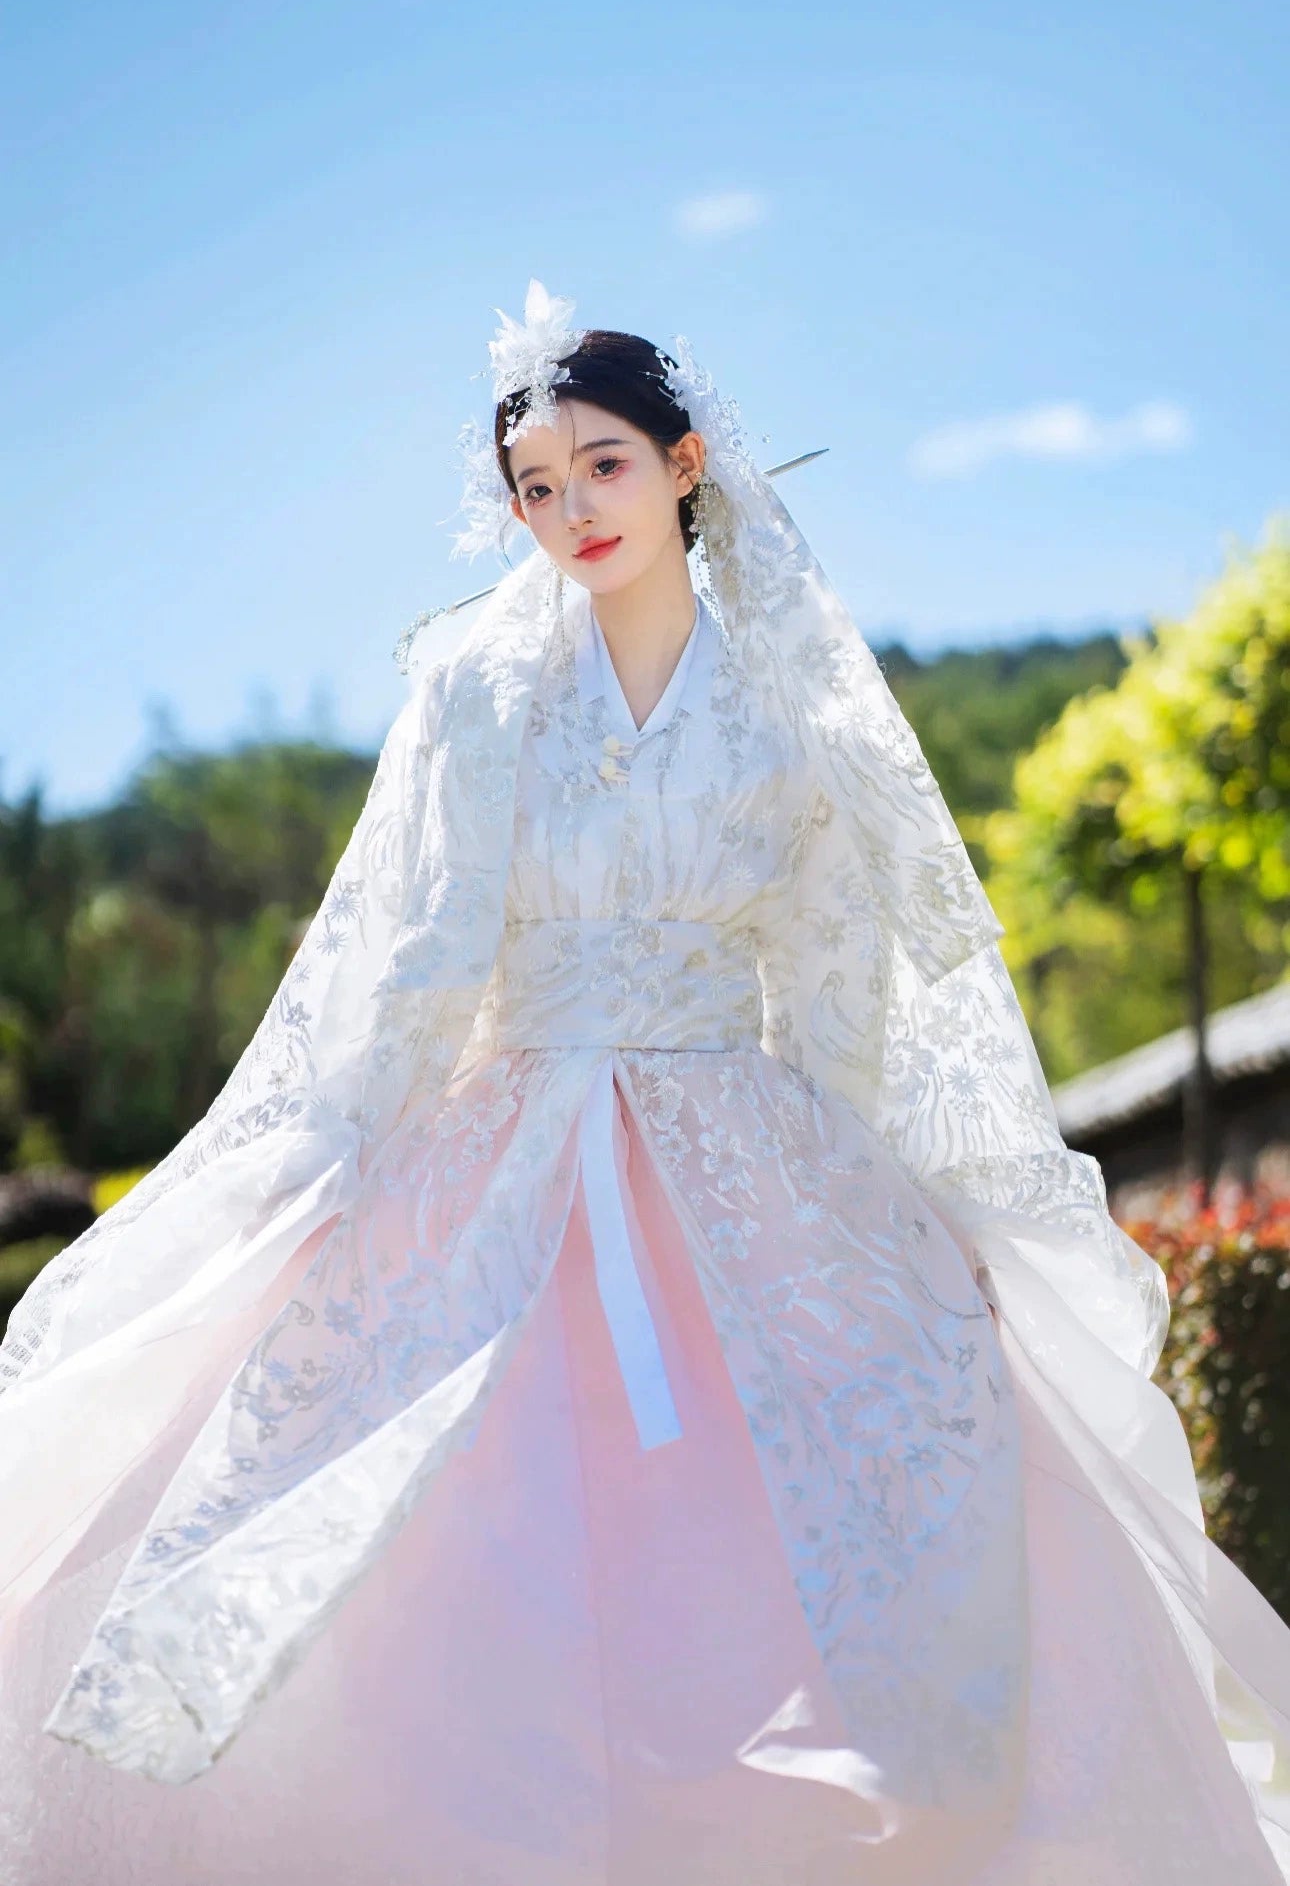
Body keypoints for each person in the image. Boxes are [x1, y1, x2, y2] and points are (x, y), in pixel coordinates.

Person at [0, 280, 1288, 1886]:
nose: (568, 509)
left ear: (684, 465)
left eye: (599, 464)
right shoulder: (475, 690)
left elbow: (837, 975)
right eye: (534, 485)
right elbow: (419, 957)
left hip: (745, 1149)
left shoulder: (790, 701)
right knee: (467, 1561)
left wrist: (910, 1193)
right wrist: (330, 1171)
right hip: (512, 1143)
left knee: (826, 1521)